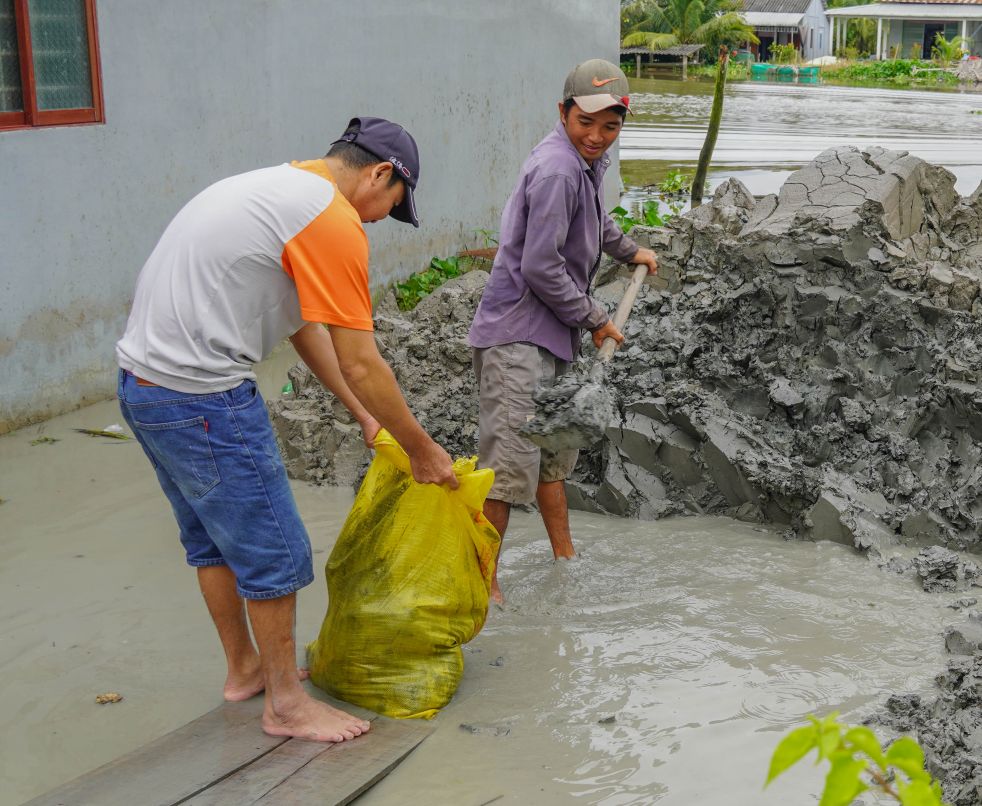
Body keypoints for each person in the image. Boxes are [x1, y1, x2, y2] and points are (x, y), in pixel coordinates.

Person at [116, 116, 458, 743]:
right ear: (380, 174)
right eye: (392, 205)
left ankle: (247, 671)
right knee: (277, 552)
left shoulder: (279, 190)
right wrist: (423, 449)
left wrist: (359, 412)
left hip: (144, 385)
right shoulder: (331, 219)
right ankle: (286, 705)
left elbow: (303, 324)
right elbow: (362, 357)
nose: (381, 220)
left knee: (214, 543)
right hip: (204, 396)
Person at [468, 60, 659, 603]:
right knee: (507, 467)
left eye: (610, 126)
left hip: (551, 334)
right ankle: (485, 588)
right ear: (564, 112)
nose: (597, 136)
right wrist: (597, 319)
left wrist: (630, 251)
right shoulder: (556, 169)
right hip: (516, 336)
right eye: (586, 122)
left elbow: (597, 221)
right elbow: (540, 267)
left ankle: (564, 561)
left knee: (553, 456)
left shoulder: (584, 163)